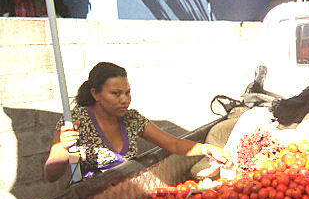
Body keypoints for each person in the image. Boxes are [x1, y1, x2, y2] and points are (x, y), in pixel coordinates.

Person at [45, 62, 233, 182]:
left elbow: (173, 144)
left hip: (130, 194)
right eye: (116, 94)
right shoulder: (76, 122)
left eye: (127, 92)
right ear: (96, 94)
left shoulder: (131, 119)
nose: (125, 99)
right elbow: (51, 174)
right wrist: (64, 147)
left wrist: (208, 149)